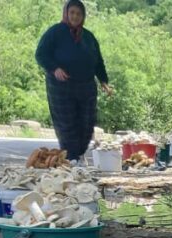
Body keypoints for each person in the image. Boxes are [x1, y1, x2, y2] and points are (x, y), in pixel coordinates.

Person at [34, 0, 113, 161]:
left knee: (86, 124)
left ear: (83, 16)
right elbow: (41, 54)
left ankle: (76, 155)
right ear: (66, 13)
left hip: (86, 87)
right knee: (67, 124)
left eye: (78, 14)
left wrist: (104, 81)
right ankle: (70, 158)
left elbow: (98, 61)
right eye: (72, 13)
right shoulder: (55, 32)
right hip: (61, 87)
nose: (75, 16)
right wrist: (54, 68)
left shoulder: (89, 37)